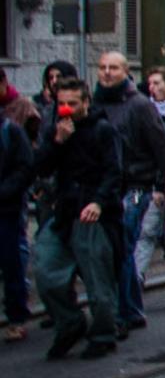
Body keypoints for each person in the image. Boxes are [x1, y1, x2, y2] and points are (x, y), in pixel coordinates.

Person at [34, 75, 123, 359]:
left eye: (73, 103)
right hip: (63, 212)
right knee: (46, 271)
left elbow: (114, 172)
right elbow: (42, 167)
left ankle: (103, 333)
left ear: (86, 102)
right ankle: (70, 322)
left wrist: (99, 202)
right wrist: (58, 142)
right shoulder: (57, 129)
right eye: (62, 103)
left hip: (93, 215)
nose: (67, 109)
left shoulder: (103, 130)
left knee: (98, 281)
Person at [93, 50, 165, 339]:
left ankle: (122, 312)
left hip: (135, 185)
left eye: (113, 67)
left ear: (126, 72)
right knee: (114, 250)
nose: (107, 73)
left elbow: (162, 148)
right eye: (102, 67)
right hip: (107, 186)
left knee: (122, 246)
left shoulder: (139, 105)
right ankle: (132, 309)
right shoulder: (94, 103)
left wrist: (161, 187)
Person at [0, 107, 31, 343]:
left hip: (6, 210)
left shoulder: (11, 131)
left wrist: (5, 193)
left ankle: (16, 317)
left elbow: (24, 169)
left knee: (11, 264)